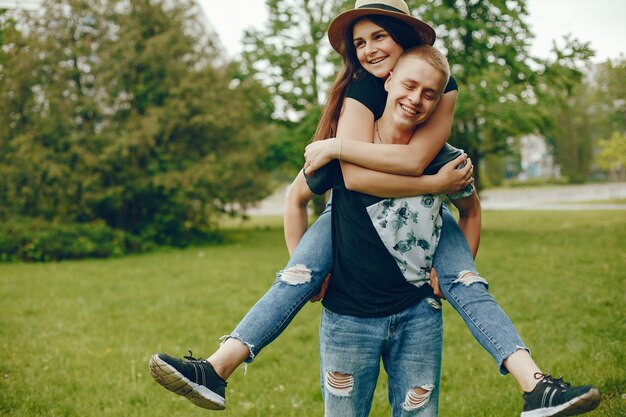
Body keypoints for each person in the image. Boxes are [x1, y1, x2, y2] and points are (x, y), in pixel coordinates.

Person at [149, 2, 600, 416]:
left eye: (379, 36)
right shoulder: (362, 92)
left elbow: (424, 164)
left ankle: (535, 385)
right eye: (359, 43)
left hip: (424, 236)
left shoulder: (437, 98)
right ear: (388, 82)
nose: (368, 51)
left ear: (407, 39)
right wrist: (340, 156)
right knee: (297, 275)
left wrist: (438, 185)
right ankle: (216, 368)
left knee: (467, 282)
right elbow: (351, 179)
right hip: (350, 246)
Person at [301, 44, 477, 417]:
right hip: (348, 315)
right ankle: (224, 360)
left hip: (417, 313)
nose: (416, 99)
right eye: (409, 86)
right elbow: (294, 197)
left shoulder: (436, 157)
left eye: (429, 94)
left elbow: (470, 209)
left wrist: (449, 276)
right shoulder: (345, 151)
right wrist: (307, 273)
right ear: (390, 80)